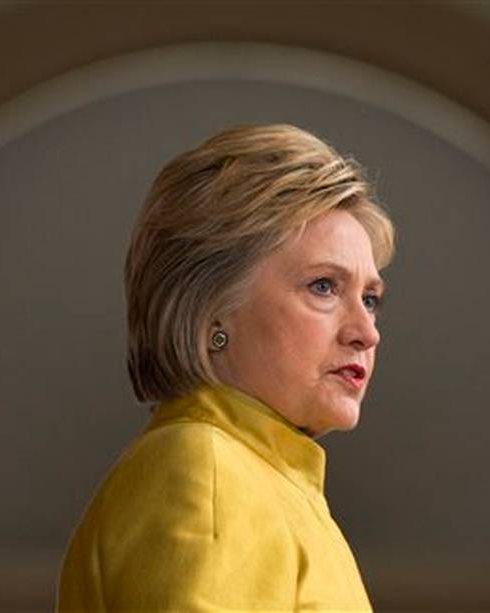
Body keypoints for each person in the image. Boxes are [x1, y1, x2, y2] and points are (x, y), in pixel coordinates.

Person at [57, 123, 395, 611]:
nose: (366, 331)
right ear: (212, 309)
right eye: (323, 286)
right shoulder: (205, 468)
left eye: (370, 298)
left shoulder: (265, 481)